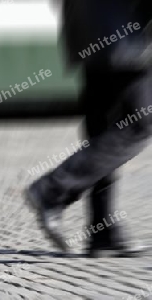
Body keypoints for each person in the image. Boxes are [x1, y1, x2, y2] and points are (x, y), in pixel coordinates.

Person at [25, 0, 152, 257]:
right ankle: (52, 189)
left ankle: (101, 229)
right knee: (138, 124)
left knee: (103, 130)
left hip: (88, 32)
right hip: (125, 36)